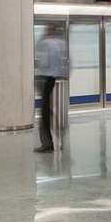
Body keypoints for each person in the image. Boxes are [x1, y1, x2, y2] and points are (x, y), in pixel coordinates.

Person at [33, 22, 69, 154]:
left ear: (49, 30)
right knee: (54, 108)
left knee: (44, 111)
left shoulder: (45, 43)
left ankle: (47, 144)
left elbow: (43, 61)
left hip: (46, 78)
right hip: (57, 78)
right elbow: (67, 62)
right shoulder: (62, 43)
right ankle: (60, 132)